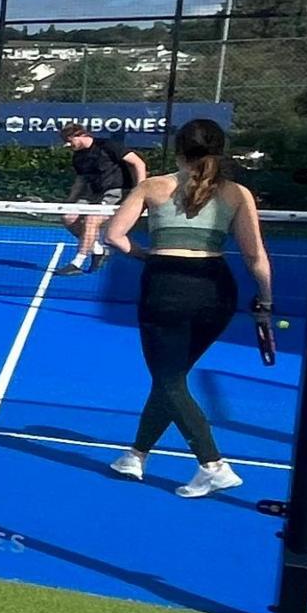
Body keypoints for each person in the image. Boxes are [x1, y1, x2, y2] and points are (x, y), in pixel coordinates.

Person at [103, 117, 272, 499]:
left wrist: (148, 255)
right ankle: (136, 454)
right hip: (217, 292)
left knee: (168, 379)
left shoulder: (152, 186)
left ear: (179, 151)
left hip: (166, 288)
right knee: (172, 375)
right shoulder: (238, 193)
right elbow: (254, 254)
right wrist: (266, 298)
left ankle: (212, 465)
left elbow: (114, 236)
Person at [57, 122, 145, 274]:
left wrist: (140, 190)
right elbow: (81, 180)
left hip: (116, 191)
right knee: (68, 217)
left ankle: (77, 262)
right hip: (93, 193)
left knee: (92, 220)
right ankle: (98, 250)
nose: (68, 145)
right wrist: (70, 201)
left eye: (69, 140)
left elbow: (139, 163)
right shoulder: (78, 157)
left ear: (80, 135)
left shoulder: (108, 146)